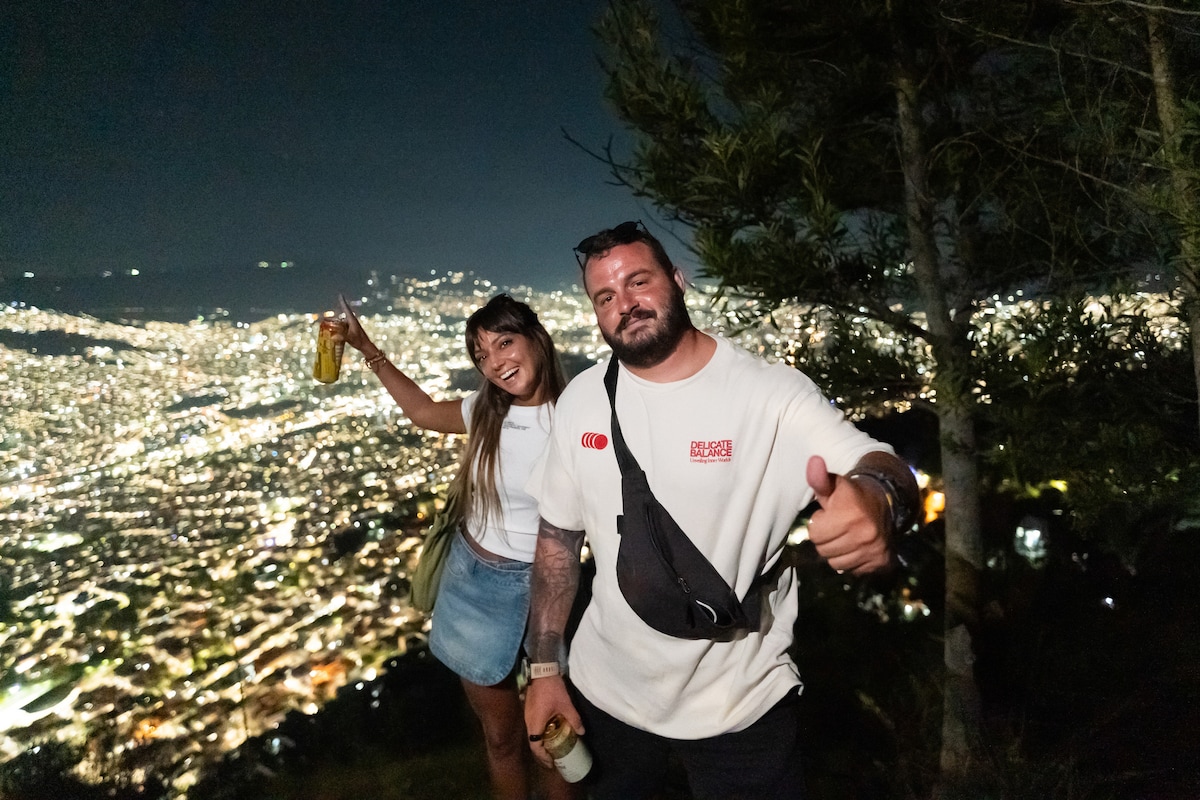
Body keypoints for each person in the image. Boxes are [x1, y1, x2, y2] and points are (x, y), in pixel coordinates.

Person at [521, 222, 920, 799]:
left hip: (741, 706)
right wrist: (544, 671)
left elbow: (877, 463)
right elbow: (557, 541)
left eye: (639, 282)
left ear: (678, 281)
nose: (625, 305)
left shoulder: (768, 395)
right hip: (607, 695)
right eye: (605, 297)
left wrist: (880, 501)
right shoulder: (583, 398)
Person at [335, 293, 580, 800]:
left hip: (545, 588)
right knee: (500, 737)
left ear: (537, 337)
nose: (496, 363)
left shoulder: (576, 419)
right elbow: (423, 410)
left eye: (505, 343)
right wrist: (367, 349)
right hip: (474, 582)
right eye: (482, 355)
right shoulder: (487, 410)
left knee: (555, 739)